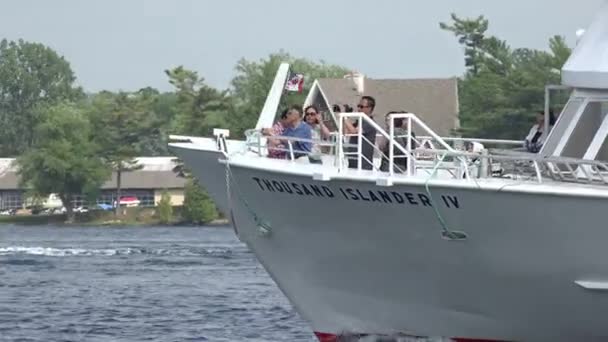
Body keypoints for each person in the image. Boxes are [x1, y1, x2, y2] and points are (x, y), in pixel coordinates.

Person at [343, 96, 377, 170]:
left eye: (361, 107)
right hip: (353, 163)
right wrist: (346, 117)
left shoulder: (369, 123)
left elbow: (355, 132)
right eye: (358, 106)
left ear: (369, 108)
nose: (358, 109)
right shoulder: (359, 122)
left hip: (363, 166)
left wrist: (345, 117)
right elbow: (346, 132)